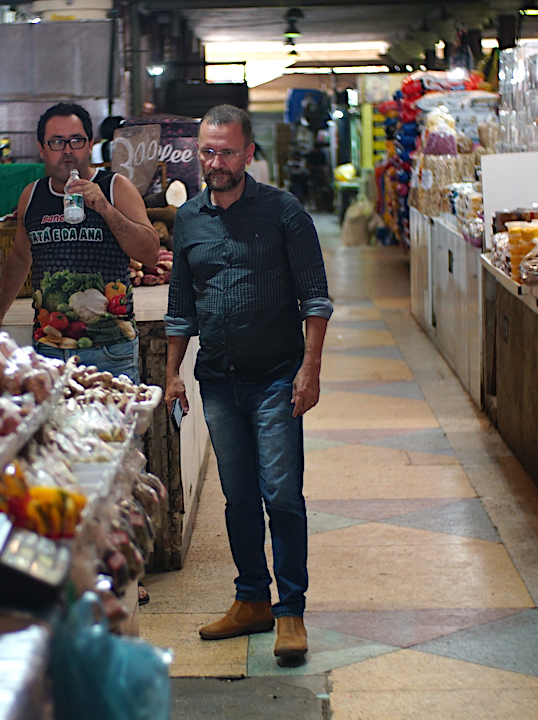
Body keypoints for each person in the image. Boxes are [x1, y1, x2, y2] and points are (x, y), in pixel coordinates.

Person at [165, 104, 331, 664]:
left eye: (227, 152)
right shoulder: (188, 219)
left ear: (249, 154)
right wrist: (172, 373)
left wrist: (310, 369)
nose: (216, 162)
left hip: (277, 379)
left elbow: (315, 298)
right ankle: (252, 599)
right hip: (218, 382)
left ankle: (291, 611)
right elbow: (180, 306)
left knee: (280, 494)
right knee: (238, 498)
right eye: (207, 152)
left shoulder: (284, 212)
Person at [0, 103, 160, 380]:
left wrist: (105, 208)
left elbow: (150, 254)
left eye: (76, 140)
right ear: (41, 148)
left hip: (110, 350)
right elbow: (20, 257)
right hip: (49, 350)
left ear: (90, 145)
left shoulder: (115, 187)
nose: (67, 150)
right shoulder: (32, 195)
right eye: (57, 142)